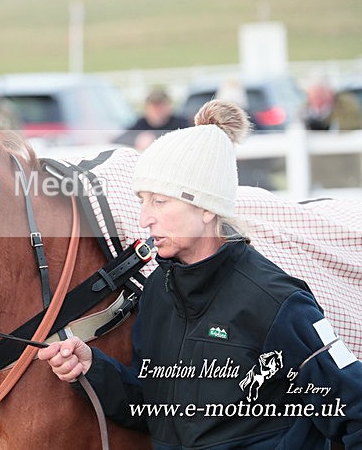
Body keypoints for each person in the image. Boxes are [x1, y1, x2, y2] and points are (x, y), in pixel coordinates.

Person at [40, 100, 362, 449]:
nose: (144, 218)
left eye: (160, 202)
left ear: (207, 208)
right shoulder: (157, 294)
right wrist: (93, 368)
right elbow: (150, 410)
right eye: (143, 200)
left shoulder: (276, 302)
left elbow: (353, 409)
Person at [115, 86, 190, 151]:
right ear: (147, 108)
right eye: (153, 106)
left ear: (169, 106)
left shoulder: (181, 123)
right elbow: (118, 140)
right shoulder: (141, 124)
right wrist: (137, 140)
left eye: (161, 105)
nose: (157, 110)